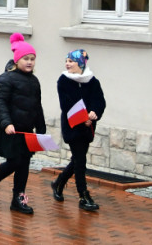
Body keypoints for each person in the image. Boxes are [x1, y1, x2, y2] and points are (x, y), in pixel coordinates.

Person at [0, 33, 46, 215]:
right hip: (11, 130)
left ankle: (18, 198)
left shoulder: (34, 81)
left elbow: (37, 106)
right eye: (26, 58)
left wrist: (41, 129)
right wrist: (6, 122)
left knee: (24, 164)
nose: (30, 62)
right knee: (15, 161)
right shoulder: (6, 78)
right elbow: (0, 101)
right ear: (17, 60)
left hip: (27, 131)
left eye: (33, 59)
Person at [52, 48, 106, 211]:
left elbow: (100, 101)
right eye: (66, 61)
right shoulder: (63, 80)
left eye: (71, 61)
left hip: (88, 127)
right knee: (80, 160)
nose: (67, 64)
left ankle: (59, 182)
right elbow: (66, 104)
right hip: (73, 125)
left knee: (77, 159)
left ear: (81, 63)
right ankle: (83, 195)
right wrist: (83, 118)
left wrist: (94, 114)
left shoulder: (93, 81)